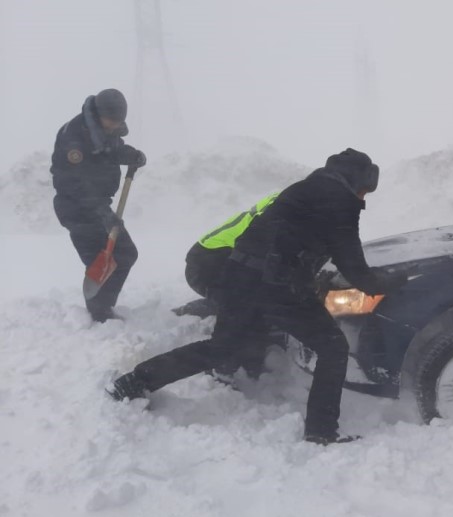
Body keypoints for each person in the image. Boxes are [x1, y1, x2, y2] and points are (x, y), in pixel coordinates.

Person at [107, 148, 408, 445]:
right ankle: (321, 430)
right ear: (356, 181)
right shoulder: (341, 202)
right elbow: (353, 265)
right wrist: (389, 283)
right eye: (366, 190)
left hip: (239, 276)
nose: (364, 197)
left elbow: (290, 240)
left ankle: (135, 381)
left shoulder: (302, 190)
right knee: (332, 347)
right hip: (277, 286)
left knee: (221, 348)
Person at [51, 89, 147, 322]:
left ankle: (102, 307)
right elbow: (73, 183)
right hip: (76, 209)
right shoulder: (73, 138)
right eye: (111, 122)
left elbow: (110, 152)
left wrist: (131, 155)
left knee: (125, 254)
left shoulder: (103, 130)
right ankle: (99, 312)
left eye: (118, 123)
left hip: (99, 208)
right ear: (99, 114)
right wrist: (101, 212)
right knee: (100, 259)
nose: (114, 127)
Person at [173, 192, 279, 318]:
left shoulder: (287, 199)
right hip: (208, 262)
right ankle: (190, 314)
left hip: (211, 256)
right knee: (253, 301)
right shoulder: (281, 210)